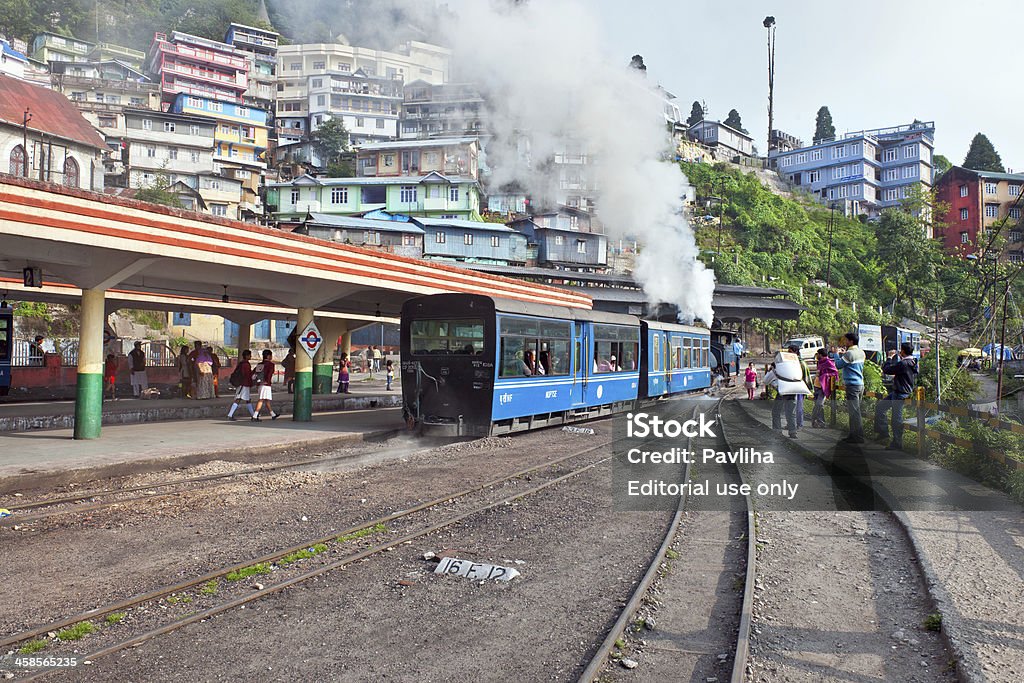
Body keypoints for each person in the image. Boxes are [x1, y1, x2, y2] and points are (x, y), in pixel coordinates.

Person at [875, 342, 919, 449]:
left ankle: (897, 443)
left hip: (900, 393)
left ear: (903, 351)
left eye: (901, 350)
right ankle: (883, 433)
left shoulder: (903, 364)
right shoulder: (913, 362)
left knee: (896, 418)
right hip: (902, 391)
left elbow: (887, 370)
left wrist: (889, 357)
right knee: (880, 407)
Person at [832, 332, 866, 443]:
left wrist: (836, 354)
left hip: (852, 385)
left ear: (851, 341)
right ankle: (853, 436)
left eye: (846, 340)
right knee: (854, 411)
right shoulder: (861, 352)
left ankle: (858, 437)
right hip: (860, 384)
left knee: (855, 412)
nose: (844, 342)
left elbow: (837, 365)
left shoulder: (849, 354)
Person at [788, 343, 813, 430]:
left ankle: (799, 425)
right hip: (791, 388)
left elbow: (806, 377)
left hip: (799, 388)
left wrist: (808, 389)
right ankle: (791, 424)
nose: (788, 353)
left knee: (798, 408)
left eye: (790, 351)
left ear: (795, 352)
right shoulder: (789, 362)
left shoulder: (802, 363)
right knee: (790, 408)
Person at [811, 348, 839, 427]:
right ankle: (821, 422)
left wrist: (825, 376)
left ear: (820, 354)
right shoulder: (819, 362)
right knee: (819, 405)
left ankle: (813, 419)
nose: (817, 356)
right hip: (816, 385)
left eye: (818, 354)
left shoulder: (829, 362)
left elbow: (835, 373)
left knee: (819, 404)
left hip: (823, 386)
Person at [227, 350, 256, 421]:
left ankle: (253, 415)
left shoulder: (241, 363)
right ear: (246, 356)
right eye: (249, 355)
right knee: (241, 399)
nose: (250, 356)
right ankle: (253, 415)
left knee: (243, 399)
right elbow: (247, 375)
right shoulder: (246, 364)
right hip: (244, 384)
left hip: (241, 384)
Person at [252, 349, 279, 421]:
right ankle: (255, 415)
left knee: (266, 399)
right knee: (261, 399)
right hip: (266, 384)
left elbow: (254, 373)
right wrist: (267, 381)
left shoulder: (259, 364)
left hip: (259, 383)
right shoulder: (271, 365)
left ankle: (273, 414)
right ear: (269, 356)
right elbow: (269, 374)